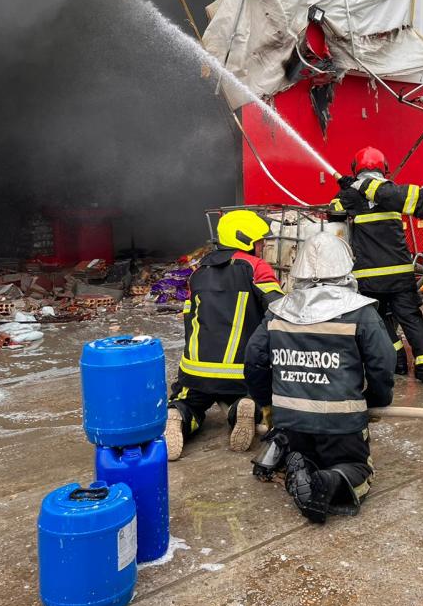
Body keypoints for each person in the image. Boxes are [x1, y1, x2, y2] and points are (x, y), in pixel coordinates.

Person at [244, 231, 395, 524]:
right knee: (359, 470)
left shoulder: (277, 311)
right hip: (341, 423)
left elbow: (253, 360)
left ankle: (292, 461)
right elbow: (383, 363)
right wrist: (375, 401)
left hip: (290, 422)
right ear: (344, 267)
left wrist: (268, 404)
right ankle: (334, 480)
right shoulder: (360, 311)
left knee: (303, 449)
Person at [165, 210, 283, 461]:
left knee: (189, 402)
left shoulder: (198, 272)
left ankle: (179, 415)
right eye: (260, 241)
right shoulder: (256, 267)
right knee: (254, 397)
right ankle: (242, 409)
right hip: (241, 372)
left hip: (195, 370)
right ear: (245, 239)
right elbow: (279, 311)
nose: (262, 247)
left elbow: (190, 320)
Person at [330, 147, 423, 387]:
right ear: (383, 168)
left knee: (379, 322)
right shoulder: (390, 192)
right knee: (412, 319)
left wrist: (344, 191)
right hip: (400, 273)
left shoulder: (351, 196)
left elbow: (333, 213)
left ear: (356, 169)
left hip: (369, 277)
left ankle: (398, 362)